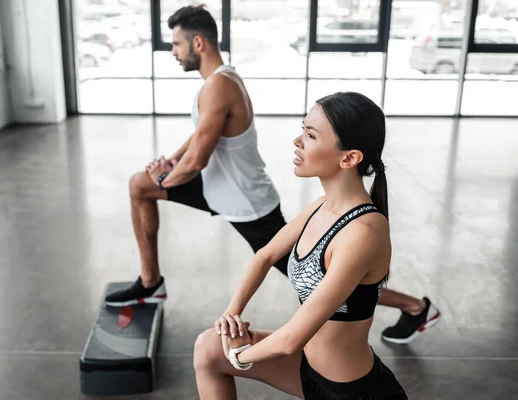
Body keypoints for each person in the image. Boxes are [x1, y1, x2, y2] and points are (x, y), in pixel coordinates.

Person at [104, 5, 440, 345]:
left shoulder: (217, 87)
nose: (174, 53)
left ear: (199, 44)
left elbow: (196, 162)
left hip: (245, 200)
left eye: (176, 45)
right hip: (218, 188)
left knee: (314, 281)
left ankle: (414, 307)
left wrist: (166, 177)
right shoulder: (223, 78)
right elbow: (202, 132)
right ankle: (150, 282)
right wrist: (167, 162)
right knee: (139, 185)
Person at [194, 92, 408, 399]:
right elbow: (265, 255)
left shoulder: (363, 232)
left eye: (310, 135)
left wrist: (238, 356)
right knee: (209, 347)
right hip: (308, 371)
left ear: (349, 158)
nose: (297, 141)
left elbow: (289, 341)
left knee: (222, 353)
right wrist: (230, 318)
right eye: (302, 129)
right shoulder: (322, 205)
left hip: (351, 392)